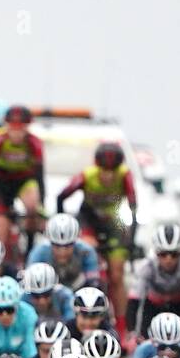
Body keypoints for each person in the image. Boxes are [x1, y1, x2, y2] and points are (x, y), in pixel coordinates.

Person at [55, 141, 136, 333]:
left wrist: (130, 240)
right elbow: (61, 196)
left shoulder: (125, 175)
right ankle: (94, 289)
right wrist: (62, 220)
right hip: (89, 221)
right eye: (103, 170)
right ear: (97, 166)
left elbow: (133, 205)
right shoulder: (87, 175)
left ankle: (122, 327)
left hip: (114, 223)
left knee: (117, 275)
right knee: (90, 249)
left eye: (112, 170)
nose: (108, 175)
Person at [132, 222, 180, 345]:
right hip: (154, 308)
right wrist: (132, 333)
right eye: (163, 254)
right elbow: (134, 301)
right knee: (143, 345)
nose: (168, 259)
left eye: (174, 254)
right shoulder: (146, 266)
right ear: (156, 252)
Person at [0, 105, 45, 252]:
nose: (16, 133)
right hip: (0, 182)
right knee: (0, 225)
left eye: (21, 128)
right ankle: (1, 254)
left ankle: (30, 246)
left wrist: (40, 204)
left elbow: (39, 175)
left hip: (23, 180)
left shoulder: (35, 143)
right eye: (13, 128)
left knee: (32, 206)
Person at [27, 213, 101, 291]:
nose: (62, 252)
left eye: (68, 245)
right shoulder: (38, 253)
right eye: (57, 245)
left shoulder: (86, 251)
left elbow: (94, 284)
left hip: (79, 288)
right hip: (49, 294)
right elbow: (29, 287)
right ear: (50, 241)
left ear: (75, 241)